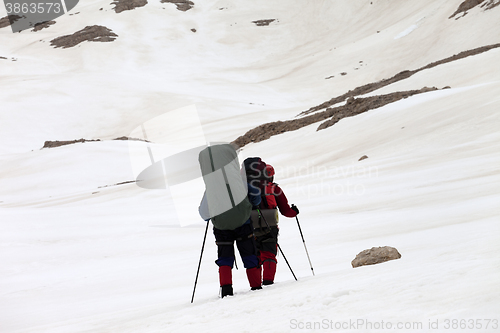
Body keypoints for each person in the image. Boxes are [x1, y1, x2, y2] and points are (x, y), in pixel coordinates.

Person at [198, 146, 263, 298]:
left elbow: (204, 213)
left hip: (221, 226)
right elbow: (256, 197)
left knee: (224, 258)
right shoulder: (239, 182)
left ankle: (226, 290)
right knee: (249, 254)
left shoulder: (211, 189)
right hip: (243, 222)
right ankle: (256, 286)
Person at [244, 158, 299, 286]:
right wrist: (295, 211)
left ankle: (256, 283)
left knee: (256, 254)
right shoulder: (275, 189)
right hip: (270, 223)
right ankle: (268, 281)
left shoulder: (246, 189)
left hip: (251, 224)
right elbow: (286, 211)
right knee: (269, 253)